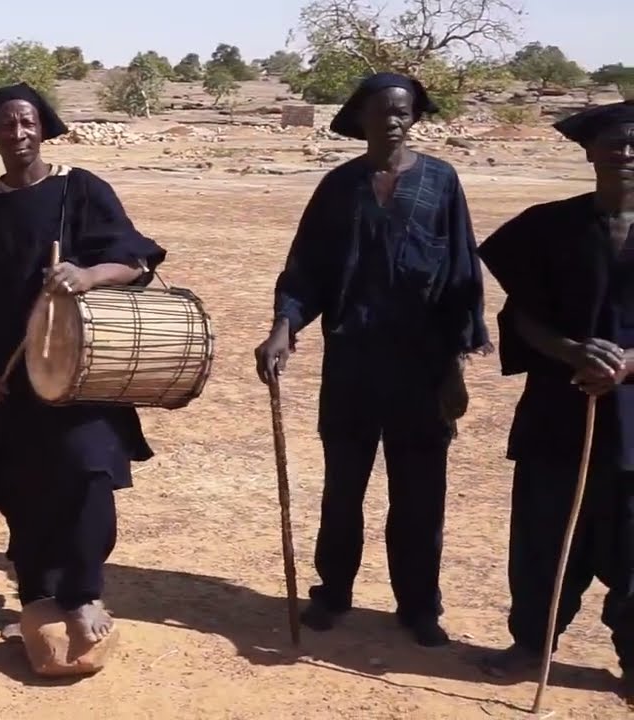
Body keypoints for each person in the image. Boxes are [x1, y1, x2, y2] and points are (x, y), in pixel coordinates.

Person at [253, 73, 490, 647]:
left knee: (420, 494)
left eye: (403, 111)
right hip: (352, 362)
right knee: (343, 489)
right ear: (360, 118)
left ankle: (419, 607)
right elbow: (307, 269)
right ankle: (333, 594)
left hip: (422, 367)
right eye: (382, 111)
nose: (394, 120)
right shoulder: (339, 187)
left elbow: (460, 273)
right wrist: (283, 327)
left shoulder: (441, 181)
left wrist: (456, 364)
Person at [0, 83, 166, 647]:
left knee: (88, 471)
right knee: (21, 485)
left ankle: (83, 591)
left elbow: (134, 261)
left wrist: (87, 275)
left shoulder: (79, 189)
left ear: (44, 128)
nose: (19, 133)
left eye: (28, 122)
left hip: (80, 372)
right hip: (12, 381)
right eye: (7, 124)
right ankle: (37, 593)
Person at [475, 100, 634, 700]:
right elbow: (522, 317)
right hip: (557, 411)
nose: (626, 152)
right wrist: (570, 351)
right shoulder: (544, 227)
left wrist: (627, 364)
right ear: (589, 151)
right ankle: (531, 644)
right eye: (614, 141)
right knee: (543, 535)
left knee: (632, 543)